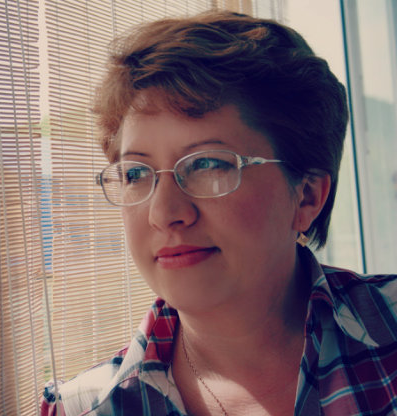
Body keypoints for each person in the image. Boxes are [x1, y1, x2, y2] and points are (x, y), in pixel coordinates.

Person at [41, 10, 397, 416]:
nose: (163, 213)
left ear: (307, 197)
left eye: (208, 164)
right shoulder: (81, 409)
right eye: (136, 173)